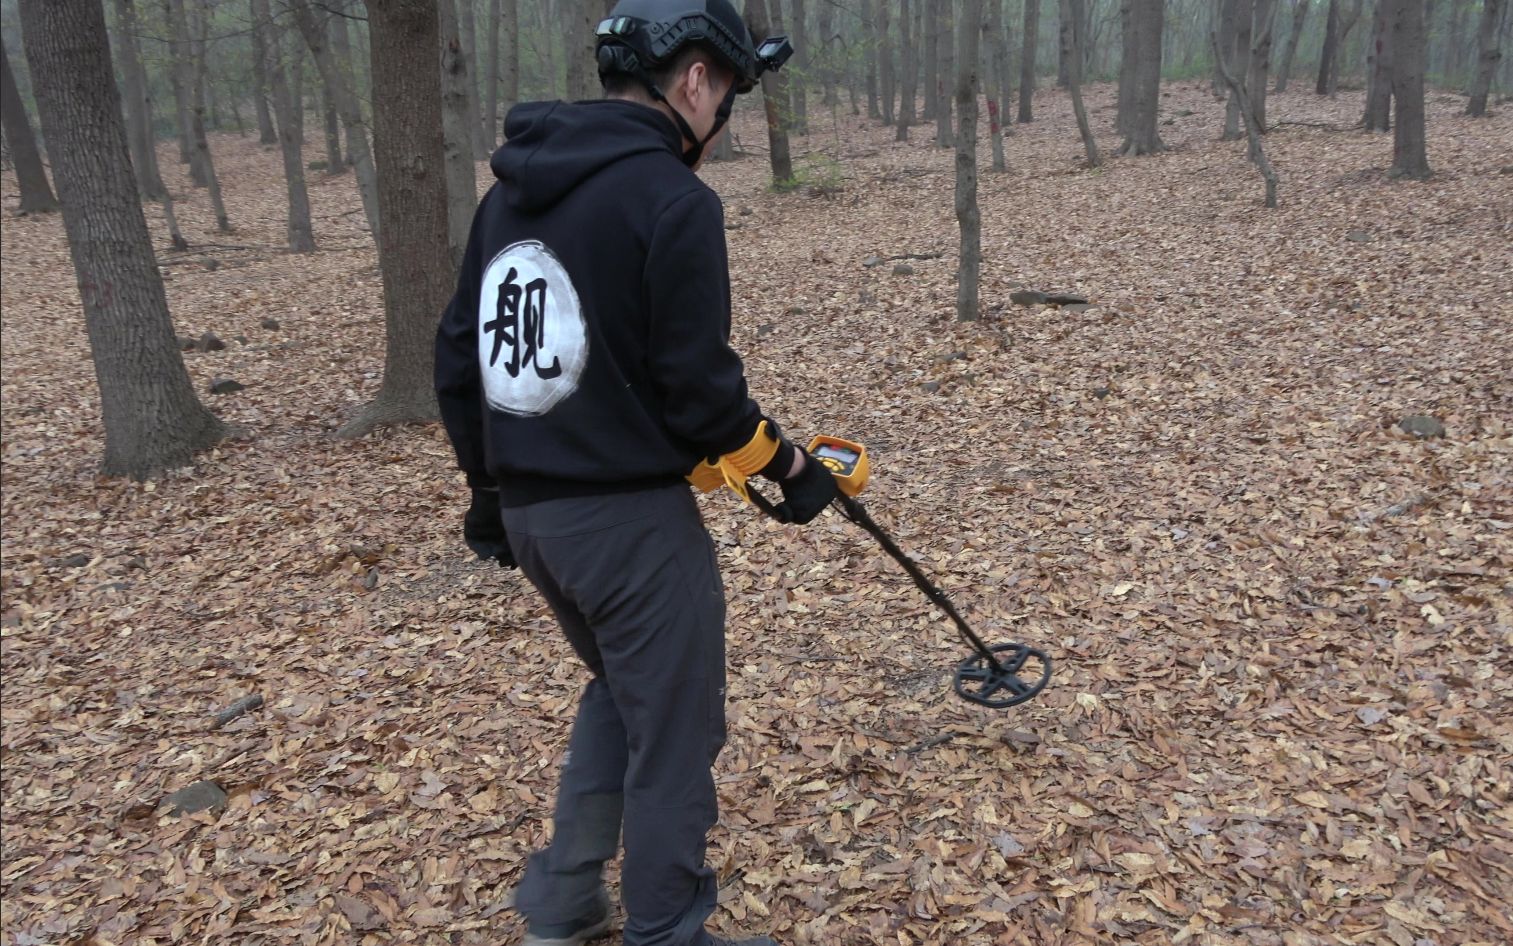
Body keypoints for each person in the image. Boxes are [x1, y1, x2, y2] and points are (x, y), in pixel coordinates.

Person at [433, 2, 832, 944]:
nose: (723, 111)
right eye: (727, 89)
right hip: (631, 531)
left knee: (621, 691)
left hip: (539, 524)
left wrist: (489, 497)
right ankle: (666, 930)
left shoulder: (507, 196)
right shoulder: (672, 199)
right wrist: (790, 467)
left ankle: (566, 901)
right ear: (694, 79)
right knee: (677, 734)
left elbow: (456, 360)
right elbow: (697, 392)